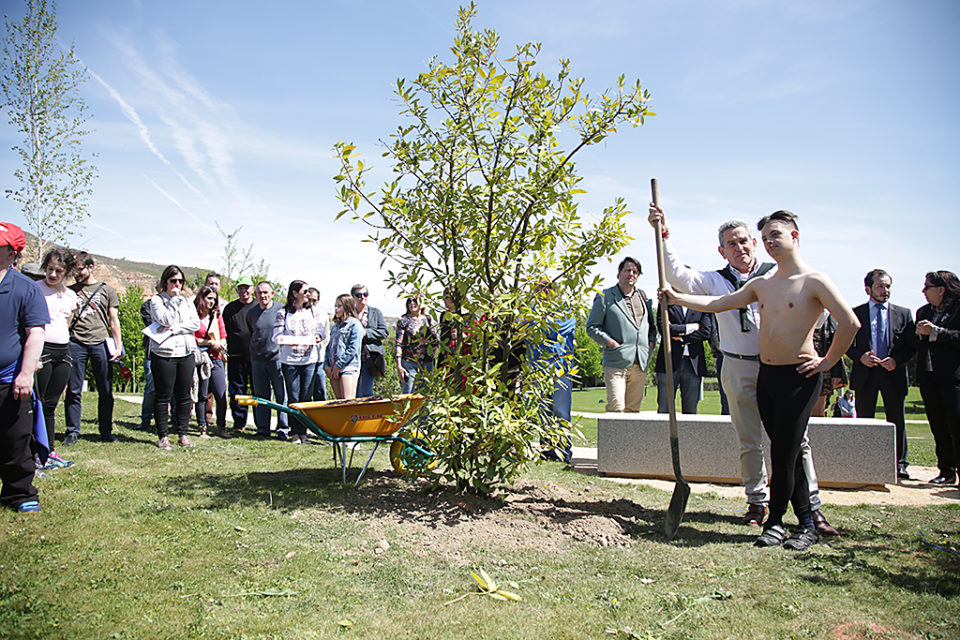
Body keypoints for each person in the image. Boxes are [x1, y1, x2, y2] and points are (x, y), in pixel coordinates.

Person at [662, 210, 858, 550]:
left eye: (769, 236)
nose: (763, 243)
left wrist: (828, 362)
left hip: (794, 373)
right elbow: (716, 300)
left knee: (791, 447)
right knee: (767, 444)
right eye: (764, 237)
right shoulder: (753, 283)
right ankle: (774, 512)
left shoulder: (801, 278)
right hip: (754, 371)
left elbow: (847, 323)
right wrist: (675, 289)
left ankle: (801, 516)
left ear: (792, 237)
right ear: (723, 250)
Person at [846, 269, 917, 480]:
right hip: (866, 374)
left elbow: (911, 346)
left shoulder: (904, 314)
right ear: (868, 289)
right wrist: (860, 357)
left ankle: (900, 464)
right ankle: (865, 462)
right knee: (864, 420)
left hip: (893, 374)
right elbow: (846, 344)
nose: (885, 290)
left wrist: (896, 360)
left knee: (897, 420)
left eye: (888, 286)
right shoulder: (855, 313)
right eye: (880, 286)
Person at [0, 222, 49, 513]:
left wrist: (25, 373)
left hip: (9, 380)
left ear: (12, 252)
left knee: (15, 438)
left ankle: (19, 493)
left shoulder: (25, 288)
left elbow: (36, 333)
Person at [64, 251, 123, 445]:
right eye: (73, 270)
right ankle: (72, 431)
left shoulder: (107, 291)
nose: (76, 274)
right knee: (73, 389)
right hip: (75, 343)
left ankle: (105, 430)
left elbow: (114, 320)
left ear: (90, 267)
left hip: (100, 343)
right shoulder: (69, 291)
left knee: (105, 389)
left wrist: (118, 346)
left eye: (79, 269)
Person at [586, 257, 657, 413]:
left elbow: (652, 326)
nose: (631, 274)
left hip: (640, 362)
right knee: (616, 407)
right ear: (619, 272)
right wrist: (611, 342)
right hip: (616, 362)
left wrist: (652, 342)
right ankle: (611, 439)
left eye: (635, 272)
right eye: (627, 270)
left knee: (633, 411)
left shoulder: (643, 297)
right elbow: (591, 327)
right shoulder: (605, 296)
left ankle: (631, 439)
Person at [915, 270, 960, 486]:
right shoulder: (923, 311)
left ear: (941, 289)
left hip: (953, 378)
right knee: (938, 425)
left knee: (956, 423)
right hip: (929, 377)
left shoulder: (958, 309)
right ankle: (946, 471)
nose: (923, 291)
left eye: (928, 287)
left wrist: (937, 332)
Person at [148, 266, 201, 449]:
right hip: (164, 354)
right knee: (163, 395)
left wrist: (176, 329)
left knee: (184, 395)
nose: (177, 285)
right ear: (165, 282)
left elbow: (195, 323)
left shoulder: (187, 301)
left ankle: (183, 433)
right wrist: (173, 301)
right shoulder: (157, 301)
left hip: (185, 352)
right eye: (173, 281)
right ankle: (163, 436)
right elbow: (165, 320)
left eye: (180, 281)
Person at [34, 249, 78, 470]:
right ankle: (34, 451)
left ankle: (49, 452)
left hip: (63, 351)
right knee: (38, 403)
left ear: (67, 272)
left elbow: (66, 322)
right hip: (42, 351)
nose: (52, 274)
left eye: (58, 271)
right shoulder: (36, 290)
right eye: (49, 269)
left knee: (51, 404)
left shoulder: (71, 296)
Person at [273, 280, 326, 444]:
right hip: (290, 361)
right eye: (305, 292)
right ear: (295, 293)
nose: (308, 295)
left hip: (309, 359)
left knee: (305, 397)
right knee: (294, 397)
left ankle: (304, 433)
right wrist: (292, 340)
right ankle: (294, 432)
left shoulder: (314, 312)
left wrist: (317, 337)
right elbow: (276, 336)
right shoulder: (283, 312)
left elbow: (321, 331)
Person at [654, 304, 714, 414]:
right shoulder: (667, 302)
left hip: (693, 363)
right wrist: (690, 328)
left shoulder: (699, 303)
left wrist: (679, 337)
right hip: (669, 361)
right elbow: (663, 329)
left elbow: (705, 332)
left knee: (691, 412)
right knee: (664, 409)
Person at [247, 281, 288, 439]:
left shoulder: (281, 310)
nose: (263, 295)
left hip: (277, 358)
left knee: (281, 394)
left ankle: (283, 428)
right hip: (257, 359)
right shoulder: (252, 313)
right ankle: (263, 428)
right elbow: (252, 333)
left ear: (272, 293)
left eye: (266, 292)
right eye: (260, 293)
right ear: (255, 295)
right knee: (261, 396)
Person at [193, 285, 229, 438]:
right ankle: (202, 427)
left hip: (216, 358)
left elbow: (223, 334)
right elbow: (191, 337)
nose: (212, 302)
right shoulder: (193, 315)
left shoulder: (216, 316)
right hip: (201, 359)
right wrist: (208, 343)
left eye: (214, 299)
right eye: (209, 298)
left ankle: (222, 427)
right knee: (202, 394)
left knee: (221, 394)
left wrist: (221, 344)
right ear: (202, 298)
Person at [222, 275, 256, 433]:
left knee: (258, 392)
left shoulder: (258, 307)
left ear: (252, 289)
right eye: (240, 288)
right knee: (237, 392)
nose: (244, 291)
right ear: (237, 290)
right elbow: (225, 332)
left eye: (246, 288)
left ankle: (261, 424)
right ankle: (239, 424)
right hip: (236, 357)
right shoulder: (229, 309)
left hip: (256, 358)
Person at [351, 284, 388, 398]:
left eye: (365, 294)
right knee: (354, 392)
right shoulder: (350, 313)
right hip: (352, 357)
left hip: (370, 357)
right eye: (358, 295)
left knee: (367, 391)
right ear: (353, 297)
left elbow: (384, 332)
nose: (362, 297)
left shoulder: (375, 312)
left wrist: (366, 332)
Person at [395, 296, 437, 394]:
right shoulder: (403, 320)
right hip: (409, 362)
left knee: (425, 394)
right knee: (408, 392)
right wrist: (399, 365)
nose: (412, 303)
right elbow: (398, 343)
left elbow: (436, 339)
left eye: (415, 301)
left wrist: (434, 352)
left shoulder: (428, 319)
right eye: (409, 301)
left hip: (427, 362)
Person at [324, 294, 364, 400]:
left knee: (347, 400)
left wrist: (339, 365)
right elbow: (329, 347)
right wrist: (326, 365)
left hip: (349, 367)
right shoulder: (335, 327)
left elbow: (353, 348)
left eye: (339, 306)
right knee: (339, 401)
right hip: (334, 367)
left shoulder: (355, 325)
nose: (336, 309)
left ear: (347, 307)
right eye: (335, 306)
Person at [810, 312, 847, 418]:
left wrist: (836, 370)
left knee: (817, 413)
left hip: (822, 366)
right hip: (795, 362)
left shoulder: (827, 315)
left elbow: (834, 342)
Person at [305, 287, 329, 401]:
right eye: (309, 300)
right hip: (304, 359)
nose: (311, 303)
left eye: (314, 300)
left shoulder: (323, 314)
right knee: (306, 391)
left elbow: (326, 336)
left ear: (318, 301)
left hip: (319, 359)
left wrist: (321, 351)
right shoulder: (300, 313)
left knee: (320, 390)